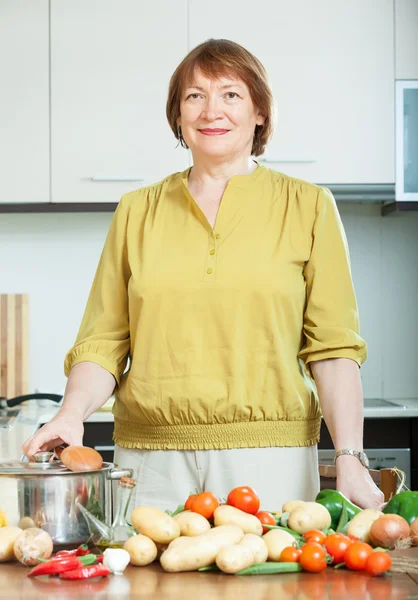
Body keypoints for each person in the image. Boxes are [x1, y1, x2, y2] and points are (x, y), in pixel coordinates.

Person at [23, 39, 384, 512]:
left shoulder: (309, 205)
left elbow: (334, 350)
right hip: (149, 461)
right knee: (149, 583)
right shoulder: (137, 210)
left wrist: (350, 457)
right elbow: (103, 343)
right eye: (195, 96)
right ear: (178, 115)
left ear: (259, 112)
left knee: (268, 585)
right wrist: (71, 416)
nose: (211, 110)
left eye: (231, 94)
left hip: (268, 456)